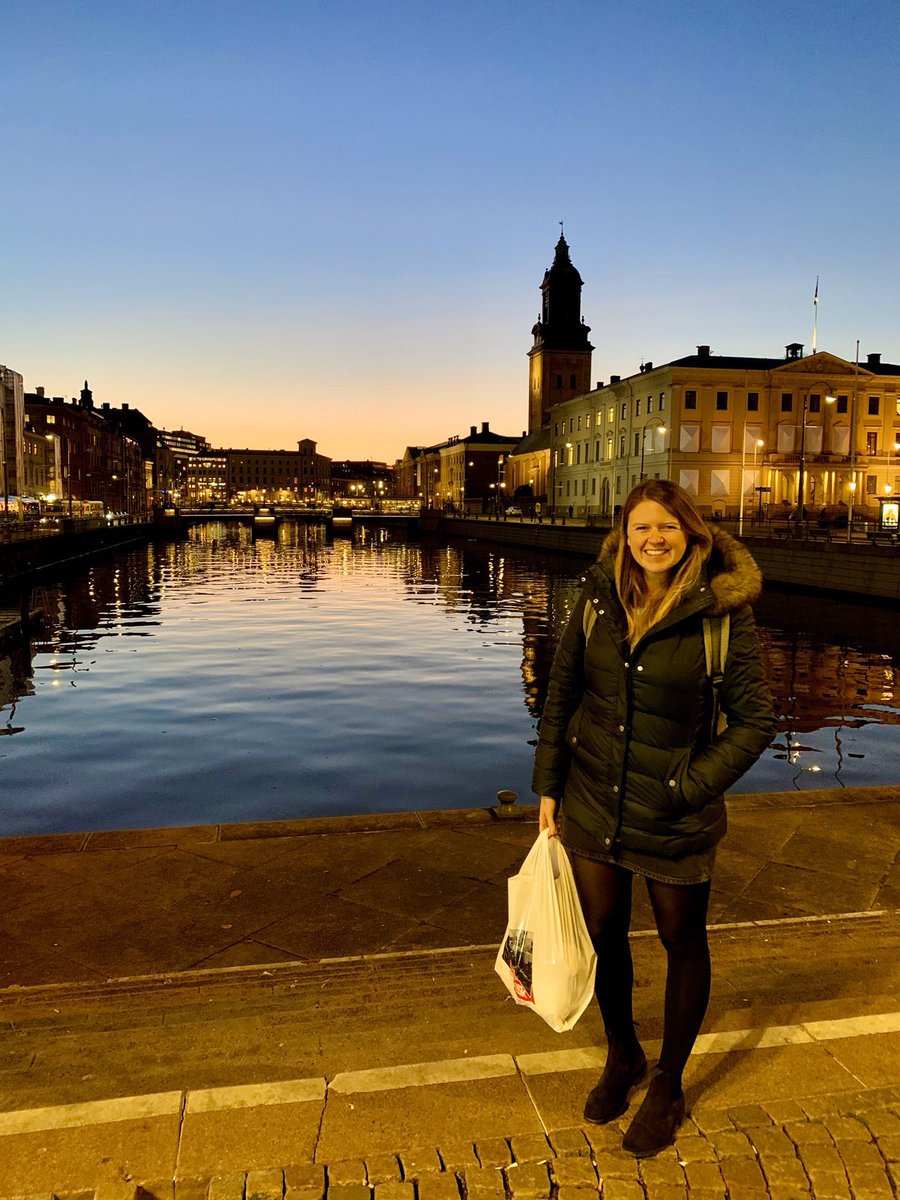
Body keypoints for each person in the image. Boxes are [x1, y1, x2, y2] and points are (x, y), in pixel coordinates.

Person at [533, 480, 775, 1158]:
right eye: (642, 528)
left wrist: (689, 786)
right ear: (626, 536)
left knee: (681, 940)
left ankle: (668, 1085)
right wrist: (547, 784)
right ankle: (623, 1055)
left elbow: (756, 720)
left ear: (691, 534)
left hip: (673, 810)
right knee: (603, 931)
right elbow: (562, 693)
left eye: (667, 526)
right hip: (591, 800)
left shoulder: (721, 614)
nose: (654, 539)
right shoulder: (597, 597)